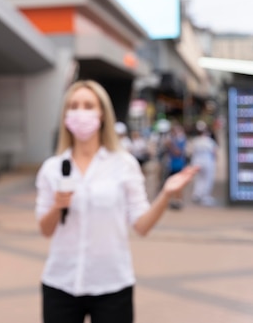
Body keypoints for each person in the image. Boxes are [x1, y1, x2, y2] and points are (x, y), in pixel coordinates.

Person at [34, 80, 198, 323]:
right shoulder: (52, 168)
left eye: (88, 105)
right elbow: (45, 230)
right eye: (74, 105)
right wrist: (58, 205)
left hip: (112, 285)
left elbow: (141, 226)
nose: (81, 112)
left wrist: (165, 195)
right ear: (65, 114)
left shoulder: (124, 165)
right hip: (61, 283)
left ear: (102, 113)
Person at [190, 120, 218, 206]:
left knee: (199, 178)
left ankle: (197, 194)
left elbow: (191, 152)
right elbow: (214, 152)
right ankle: (204, 196)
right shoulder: (209, 141)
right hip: (207, 162)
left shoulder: (195, 141)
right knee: (207, 179)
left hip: (197, 162)